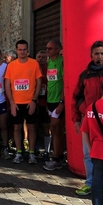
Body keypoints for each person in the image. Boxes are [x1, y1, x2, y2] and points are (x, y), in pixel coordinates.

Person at [72, 40, 103, 197]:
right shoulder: (84, 75)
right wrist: (77, 118)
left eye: (102, 53)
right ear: (91, 55)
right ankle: (90, 183)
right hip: (89, 118)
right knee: (88, 153)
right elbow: (76, 97)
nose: (99, 56)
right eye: (96, 54)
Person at [4, 39, 42, 164]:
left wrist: (34, 100)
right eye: (20, 50)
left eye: (24, 49)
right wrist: (12, 103)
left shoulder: (34, 63)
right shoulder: (11, 65)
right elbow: (8, 85)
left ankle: (31, 153)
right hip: (16, 102)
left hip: (30, 101)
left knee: (31, 127)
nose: (22, 52)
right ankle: (19, 152)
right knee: (16, 127)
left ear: (27, 50)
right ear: (16, 50)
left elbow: (39, 83)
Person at [81, 78, 103, 205]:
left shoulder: (92, 107)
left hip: (96, 152)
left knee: (97, 184)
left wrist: (90, 150)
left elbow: (84, 131)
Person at [43, 40, 65, 171]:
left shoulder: (61, 62)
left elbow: (65, 82)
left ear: (58, 49)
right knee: (55, 129)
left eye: (50, 49)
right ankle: (59, 156)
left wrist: (62, 102)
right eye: (46, 48)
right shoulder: (49, 62)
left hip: (58, 101)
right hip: (50, 100)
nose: (47, 51)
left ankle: (56, 158)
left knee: (55, 128)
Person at [35, 50, 52, 162]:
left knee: (47, 127)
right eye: (39, 57)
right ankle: (34, 148)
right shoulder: (33, 68)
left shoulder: (49, 70)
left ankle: (47, 150)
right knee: (33, 126)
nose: (41, 59)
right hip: (34, 102)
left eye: (43, 57)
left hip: (46, 102)